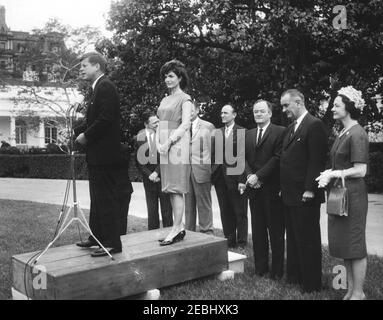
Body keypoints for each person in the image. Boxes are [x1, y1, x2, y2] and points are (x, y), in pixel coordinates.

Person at [75, 52, 130, 257]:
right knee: (97, 198)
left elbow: (106, 118)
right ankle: (96, 237)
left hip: (106, 155)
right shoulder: (98, 88)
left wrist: (86, 136)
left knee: (106, 199)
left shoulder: (105, 86)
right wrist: (78, 131)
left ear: (97, 66)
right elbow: (96, 119)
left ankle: (111, 243)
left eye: (84, 65)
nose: (81, 69)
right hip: (98, 155)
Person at [316, 86, 368, 300]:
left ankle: (359, 292)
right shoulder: (343, 132)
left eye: (337, 105)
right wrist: (330, 172)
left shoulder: (358, 133)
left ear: (349, 107)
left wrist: (335, 173)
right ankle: (350, 290)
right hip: (341, 194)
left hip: (353, 197)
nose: (333, 109)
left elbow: (361, 170)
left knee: (355, 244)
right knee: (346, 245)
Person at [280, 89, 328, 292]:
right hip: (290, 194)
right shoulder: (291, 128)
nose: (284, 110)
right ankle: (295, 277)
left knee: (308, 239)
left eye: (286, 105)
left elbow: (316, 160)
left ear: (298, 102)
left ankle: (311, 284)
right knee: (293, 237)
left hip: (305, 195)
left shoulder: (314, 125)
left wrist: (310, 189)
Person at [245, 100, 286, 278]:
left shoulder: (280, 132)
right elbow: (243, 158)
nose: (258, 114)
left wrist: (258, 176)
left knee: (276, 232)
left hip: (272, 190)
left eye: (262, 111)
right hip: (254, 190)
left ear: (270, 113)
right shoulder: (248, 134)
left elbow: (277, 158)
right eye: (255, 111)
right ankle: (260, 269)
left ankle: (276, 271)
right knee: (258, 231)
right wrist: (249, 176)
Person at [156, 59, 193, 246]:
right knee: (170, 188)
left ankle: (177, 228)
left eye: (171, 76)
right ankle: (177, 227)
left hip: (177, 145)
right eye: (165, 76)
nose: (167, 79)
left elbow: (185, 124)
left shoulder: (185, 99)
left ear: (179, 77)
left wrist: (169, 142)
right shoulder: (164, 99)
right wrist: (158, 142)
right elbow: (159, 123)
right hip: (163, 145)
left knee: (177, 188)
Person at [212, 104, 247, 248]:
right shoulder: (218, 132)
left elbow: (243, 157)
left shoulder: (242, 131)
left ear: (234, 115)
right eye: (221, 113)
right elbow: (214, 155)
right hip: (220, 178)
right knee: (225, 210)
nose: (222, 115)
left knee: (239, 211)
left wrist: (242, 180)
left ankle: (242, 241)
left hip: (236, 177)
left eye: (225, 113)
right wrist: (212, 175)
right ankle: (229, 239)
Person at [135, 112, 173, 230]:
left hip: (163, 176)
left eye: (158, 121)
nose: (157, 124)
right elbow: (138, 160)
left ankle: (169, 233)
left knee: (167, 209)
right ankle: (152, 235)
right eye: (154, 122)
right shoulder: (139, 138)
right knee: (152, 210)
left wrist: (157, 172)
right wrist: (149, 174)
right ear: (146, 124)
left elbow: (166, 156)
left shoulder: (164, 136)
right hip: (148, 179)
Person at [185, 102, 215, 234]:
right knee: (188, 205)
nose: (188, 113)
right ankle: (188, 232)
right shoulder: (182, 127)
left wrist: (210, 170)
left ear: (197, 110)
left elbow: (214, 151)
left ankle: (207, 231)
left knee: (204, 203)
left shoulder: (208, 126)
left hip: (202, 170)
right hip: (186, 171)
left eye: (191, 110)